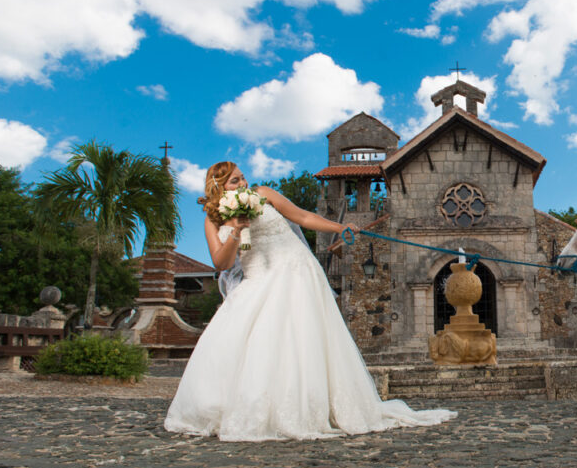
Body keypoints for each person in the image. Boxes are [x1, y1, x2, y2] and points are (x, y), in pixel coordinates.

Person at [164, 162, 456, 441]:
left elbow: (302, 217)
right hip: (258, 279)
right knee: (258, 341)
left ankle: (310, 404)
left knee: (302, 339)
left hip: (296, 271)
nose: (244, 183)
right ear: (219, 187)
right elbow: (221, 263)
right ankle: (256, 406)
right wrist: (237, 232)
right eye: (235, 180)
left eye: (243, 176)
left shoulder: (263, 195)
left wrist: (339, 228)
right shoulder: (213, 219)